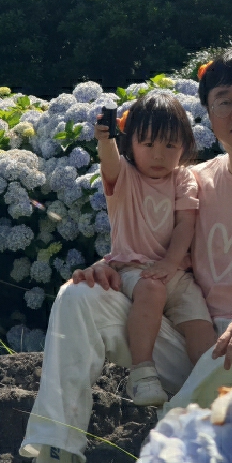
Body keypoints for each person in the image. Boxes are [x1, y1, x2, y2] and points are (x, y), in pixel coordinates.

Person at [20, 50, 232, 463]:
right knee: (80, 295)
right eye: (224, 101)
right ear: (209, 114)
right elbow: (154, 247)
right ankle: (55, 455)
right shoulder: (193, 181)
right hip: (201, 345)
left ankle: (165, 451)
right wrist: (111, 265)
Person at [93, 91, 216, 407]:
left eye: (170, 146)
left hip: (177, 274)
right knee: (151, 290)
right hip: (134, 269)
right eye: (148, 144)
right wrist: (106, 140)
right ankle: (142, 374)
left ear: (184, 146)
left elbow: (185, 225)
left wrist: (171, 263)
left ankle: (209, 390)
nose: (159, 155)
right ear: (130, 143)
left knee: (201, 328)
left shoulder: (183, 179)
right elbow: (109, 161)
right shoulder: (124, 176)